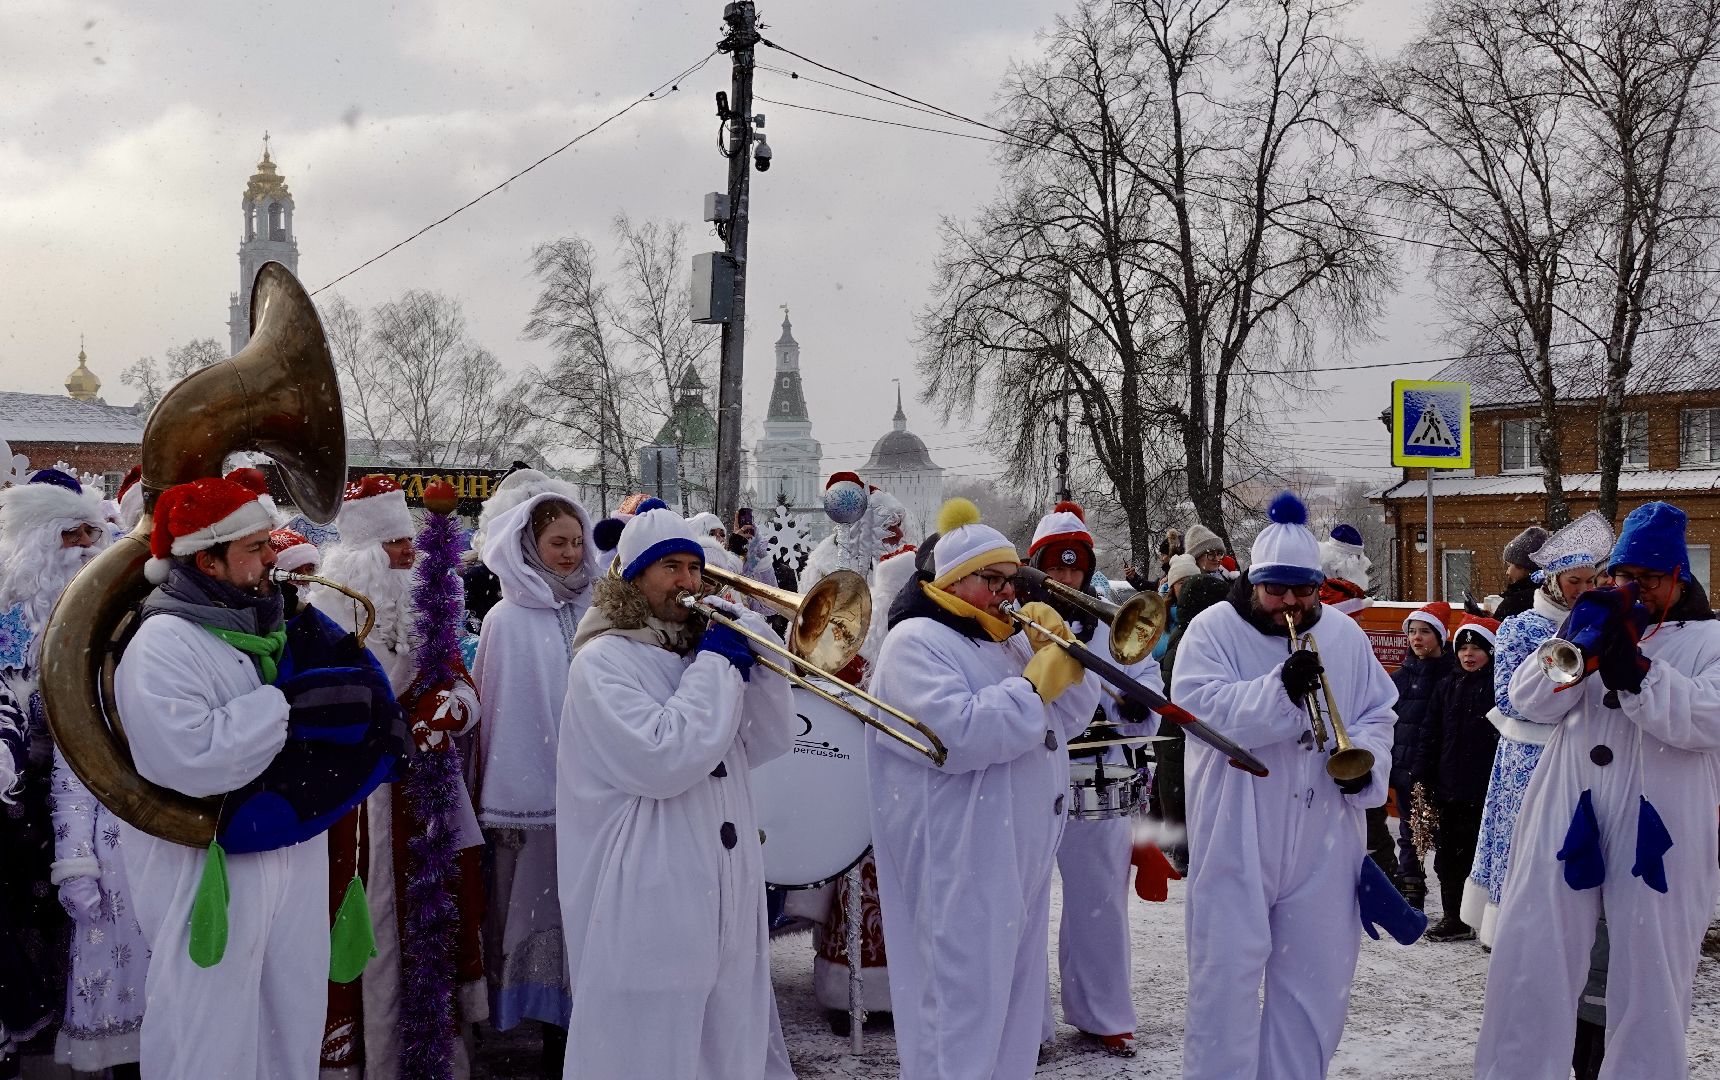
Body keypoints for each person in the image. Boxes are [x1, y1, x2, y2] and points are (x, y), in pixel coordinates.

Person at [115, 475, 402, 1080]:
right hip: (208, 864)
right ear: (209, 560)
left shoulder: (274, 622)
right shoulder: (163, 641)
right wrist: (290, 708)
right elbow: (192, 758)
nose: (273, 557)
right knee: (210, 1031)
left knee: (290, 1021)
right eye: (255, 548)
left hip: (286, 852)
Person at [1476, 501, 1720, 1079]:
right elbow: (1530, 702)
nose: (1634, 588)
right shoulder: (1589, 623)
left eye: (1648, 579)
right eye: (1624, 575)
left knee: (1650, 969)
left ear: (1679, 578)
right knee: (1532, 952)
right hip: (1569, 808)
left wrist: (1637, 671)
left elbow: (1706, 718)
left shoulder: (1709, 639)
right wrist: (1579, 643)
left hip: (1659, 819)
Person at [554, 504, 793, 1078]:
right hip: (648, 891)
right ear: (635, 577)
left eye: (695, 568)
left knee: (727, 1040)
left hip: (725, 886)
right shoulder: (603, 662)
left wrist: (756, 661)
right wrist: (716, 665)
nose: (688, 581)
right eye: (672, 568)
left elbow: (764, 740)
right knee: (650, 1049)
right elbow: (664, 757)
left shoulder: (690, 652)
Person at [867, 498, 1101, 1078]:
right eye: (991, 580)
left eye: (1010, 579)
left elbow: (1067, 719)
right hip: (962, 857)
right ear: (952, 580)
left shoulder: (1001, 637)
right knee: (962, 1010)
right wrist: (1031, 685)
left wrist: (1060, 656)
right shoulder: (915, 642)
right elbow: (960, 735)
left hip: (1016, 853)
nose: (1006, 593)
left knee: (1016, 1012)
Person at [1170, 491, 1400, 1080]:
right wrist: (1278, 690)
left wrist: (1368, 763)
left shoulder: (1345, 637)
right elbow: (1198, 707)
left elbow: (1379, 712)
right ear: (1253, 582)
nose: (1291, 603)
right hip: (1238, 825)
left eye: (1304, 591)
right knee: (1225, 982)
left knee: (1316, 986)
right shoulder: (1211, 630)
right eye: (1278, 590)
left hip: (1324, 830)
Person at [308, 476, 486, 1079]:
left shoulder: (426, 619)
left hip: (419, 805)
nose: (410, 554)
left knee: (423, 928)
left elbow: (464, 687)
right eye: (394, 545)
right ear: (360, 555)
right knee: (360, 930)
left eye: (411, 542)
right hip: (352, 812)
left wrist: (450, 711)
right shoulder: (323, 623)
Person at [0, 469, 147, 1075]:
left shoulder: (107, 611)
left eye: (94, 531)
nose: (89, 544)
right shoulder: (9, 613)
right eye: (72, 534)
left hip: (85, 794)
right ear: (37, 538)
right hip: (18, 806)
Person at [1026, 502, 1157, 1057]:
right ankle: (1025, 1022)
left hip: (1100, 775)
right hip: (1033, 775)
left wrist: (1132, 701)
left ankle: (1102, 1012)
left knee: (1099, 901)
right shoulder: (1011, 622)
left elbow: (1147, 686)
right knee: (1024, 902)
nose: (1066, 579)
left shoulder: (1113, 625)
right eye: (1055, 568)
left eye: (1075, 569)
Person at [472, 492, 596, 1073]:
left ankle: (591, 1027)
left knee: (592, 917)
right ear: (529, 546)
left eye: (577, 541)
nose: (570, 554)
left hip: (598, 799)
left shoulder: (603, 608)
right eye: (557, 543)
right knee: (539, 916)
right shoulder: (506, 619)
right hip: (534, 806)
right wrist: (509, 789)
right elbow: (501, 710)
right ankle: (549, 1033)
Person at [1462, 511, 1612, 944]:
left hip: (1586, 752)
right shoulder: (1522, 626)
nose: (1584, 591)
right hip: (1531, 757)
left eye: (1591, 581)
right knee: (1529, 847)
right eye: (1574, 582)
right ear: (1551, 582)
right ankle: (1518, 931)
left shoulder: (1604, 623)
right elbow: (1509, 699)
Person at [1415, 614, 1500, 941]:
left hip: (1483, 790)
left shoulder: (1496, 687)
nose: (1468, 654)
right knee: (1449, 857)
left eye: (1476, 648)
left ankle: (1489, 920)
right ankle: (1456, 916)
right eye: (1463, 648)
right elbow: (1430, 731)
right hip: (1449, 788)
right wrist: (1423, 770)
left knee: (1483, 855)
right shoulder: (1447, 685)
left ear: (1490, 652)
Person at [1153, 572, 1230, 874]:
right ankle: (1184, 855)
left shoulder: (1186, 636)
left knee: (1180, 792)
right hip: (1178, 736)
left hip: (1178, 735)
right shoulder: (1190, 642)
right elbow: (1181, 692)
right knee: (1180, 793)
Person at [1387, 602, 1455, 906]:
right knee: (1409, 830)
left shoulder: (1452, 676)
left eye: (1425, 632)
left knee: (1444, 834)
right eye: (1412, 632)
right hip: (1406, 767)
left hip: (1441, 770)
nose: (1417, 638)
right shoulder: (1400, 678)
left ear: (1440, 637)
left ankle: (1453, 893)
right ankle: (1410, 884)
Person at [1493, 526, 1550, 622]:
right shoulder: (1550, 596)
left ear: (1523, 566)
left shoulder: (1516, 602)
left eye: (1510, 565)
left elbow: (1496, 633)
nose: (1507, 572)